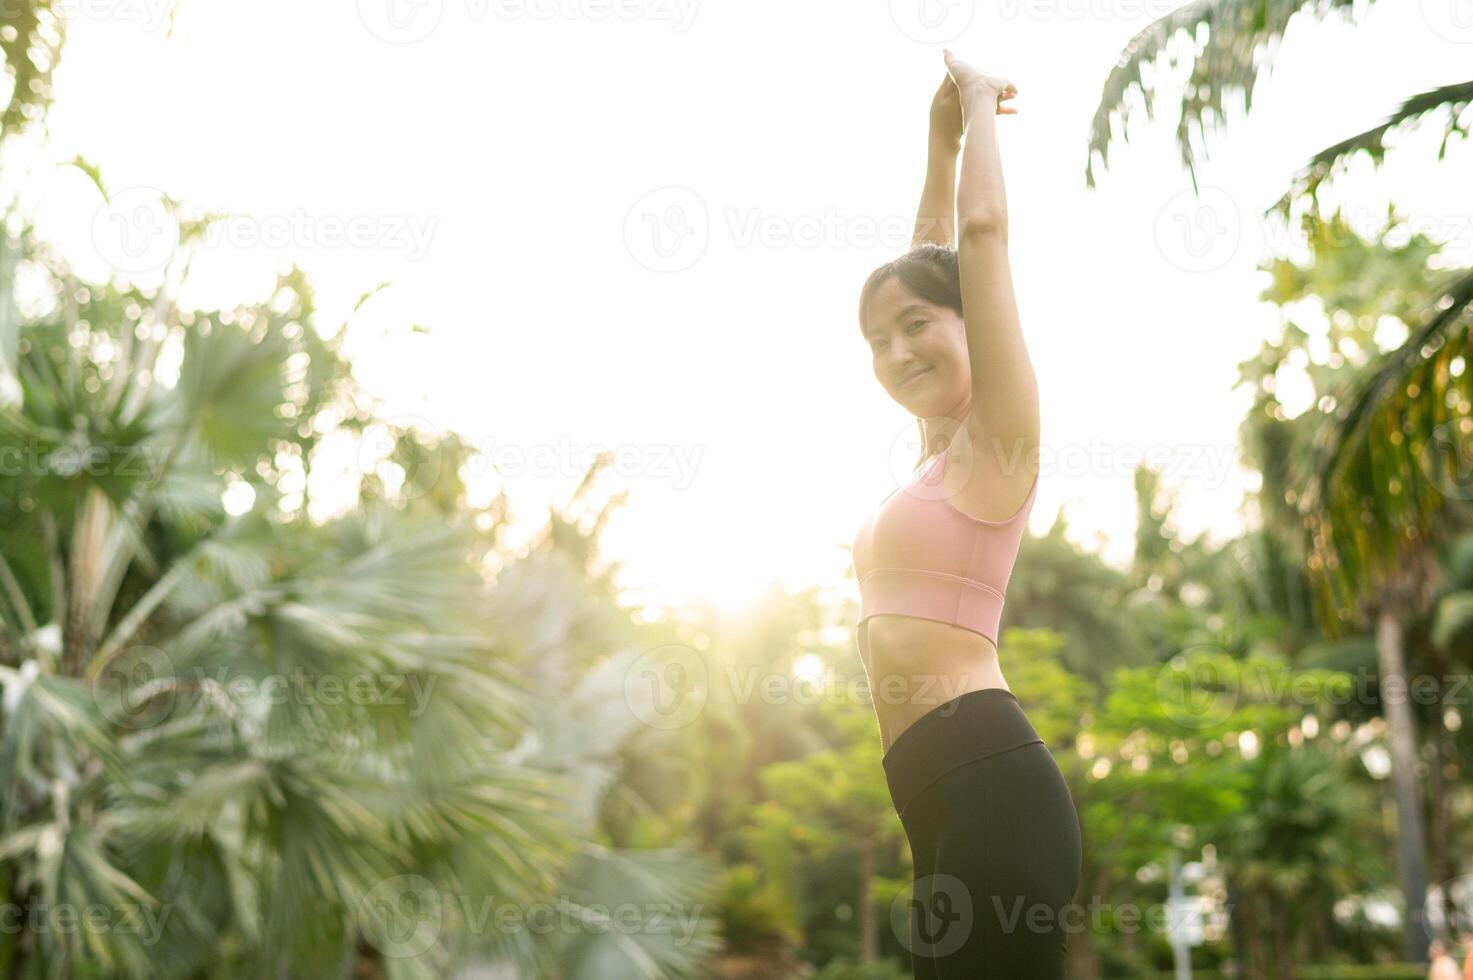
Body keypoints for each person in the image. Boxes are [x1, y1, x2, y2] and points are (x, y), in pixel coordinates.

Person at [851, 49, 1080, 978]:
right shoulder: (938, 459)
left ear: (967, 324)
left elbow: (976, 243)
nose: (897, 349)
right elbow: (934, 256)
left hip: (988, 783)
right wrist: (934, 143)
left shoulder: (997, 451)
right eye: (877, 338)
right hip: (934, 795)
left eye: (917, 325)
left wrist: (980, 104)